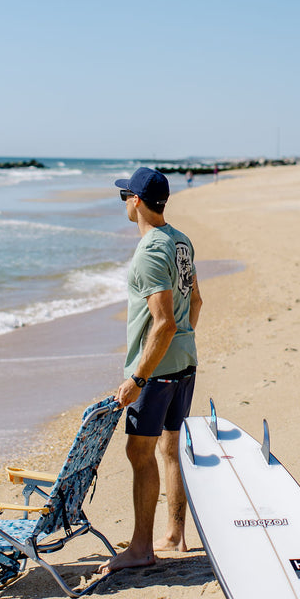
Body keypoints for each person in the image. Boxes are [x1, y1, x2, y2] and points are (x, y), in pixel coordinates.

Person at [100, 167, 202, 573]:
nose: (124, 201)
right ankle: (174, 535)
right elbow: (194, 302)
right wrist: (181, 346)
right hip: (184, 360)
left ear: (137, 201)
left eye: (125, 195)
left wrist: (138, 378)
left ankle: (142, 547)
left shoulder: (148, 252)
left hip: (157, 369)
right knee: (169, 447)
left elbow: (163, 322)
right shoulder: (181, 241)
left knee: (138, 452)